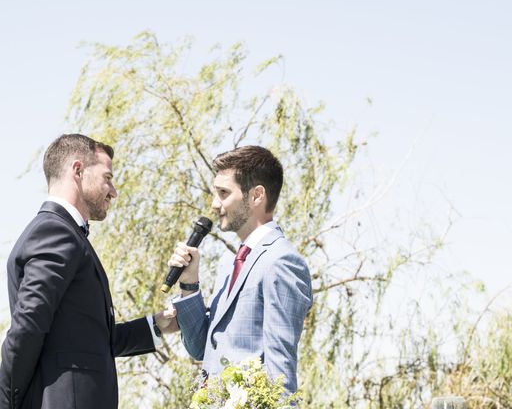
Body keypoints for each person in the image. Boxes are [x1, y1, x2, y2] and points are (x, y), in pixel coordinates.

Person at [0, 134, 174, 409]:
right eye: (108, 177)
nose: (114, 191)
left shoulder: (66, 234)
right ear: (78, 171)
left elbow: (86, 341)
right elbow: (26, 329)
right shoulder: (55, 232)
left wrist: (156, 325)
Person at [167, 145, 313, 395]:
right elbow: (200, 348)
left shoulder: (282, 261)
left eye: (223, 193)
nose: (214, 204)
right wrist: (189, 285)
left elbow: (281, 368)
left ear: (256, 195)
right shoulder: (230, 263)